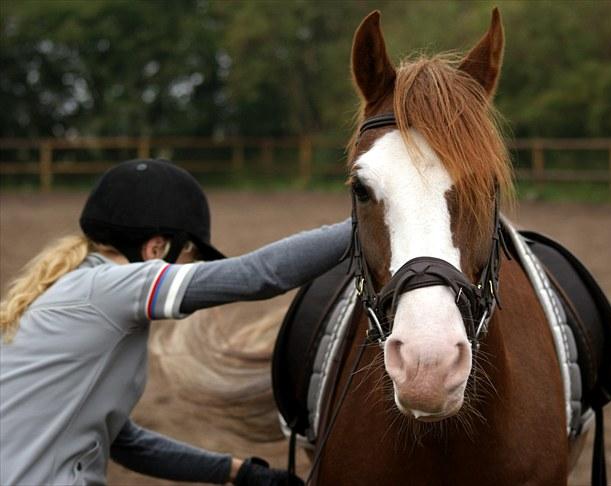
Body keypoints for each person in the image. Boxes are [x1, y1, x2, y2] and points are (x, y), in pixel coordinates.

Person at [0, 159, 351, 485]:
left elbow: (125, 442)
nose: (194, 267)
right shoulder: (113, 288)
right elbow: (258, 275)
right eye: (193, 257)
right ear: (157, 249)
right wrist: (368, 222)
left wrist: (239, 472)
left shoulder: (71, 291)